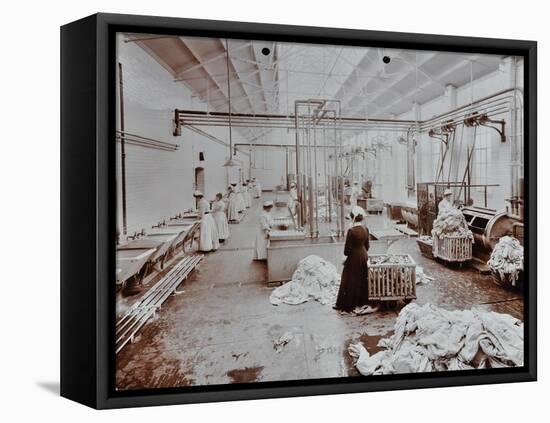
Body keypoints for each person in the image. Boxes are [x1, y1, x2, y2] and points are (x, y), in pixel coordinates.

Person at [334, 206, 371, 312]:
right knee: (362, 279)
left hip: (354, 258)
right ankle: (361, 301)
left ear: (353, 218)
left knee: (349, 279)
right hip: (363, 256)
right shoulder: (366, 229)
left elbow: (347, 250)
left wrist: (344, 259)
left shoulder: (351, 231)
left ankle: (347, 304)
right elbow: (367, 246)